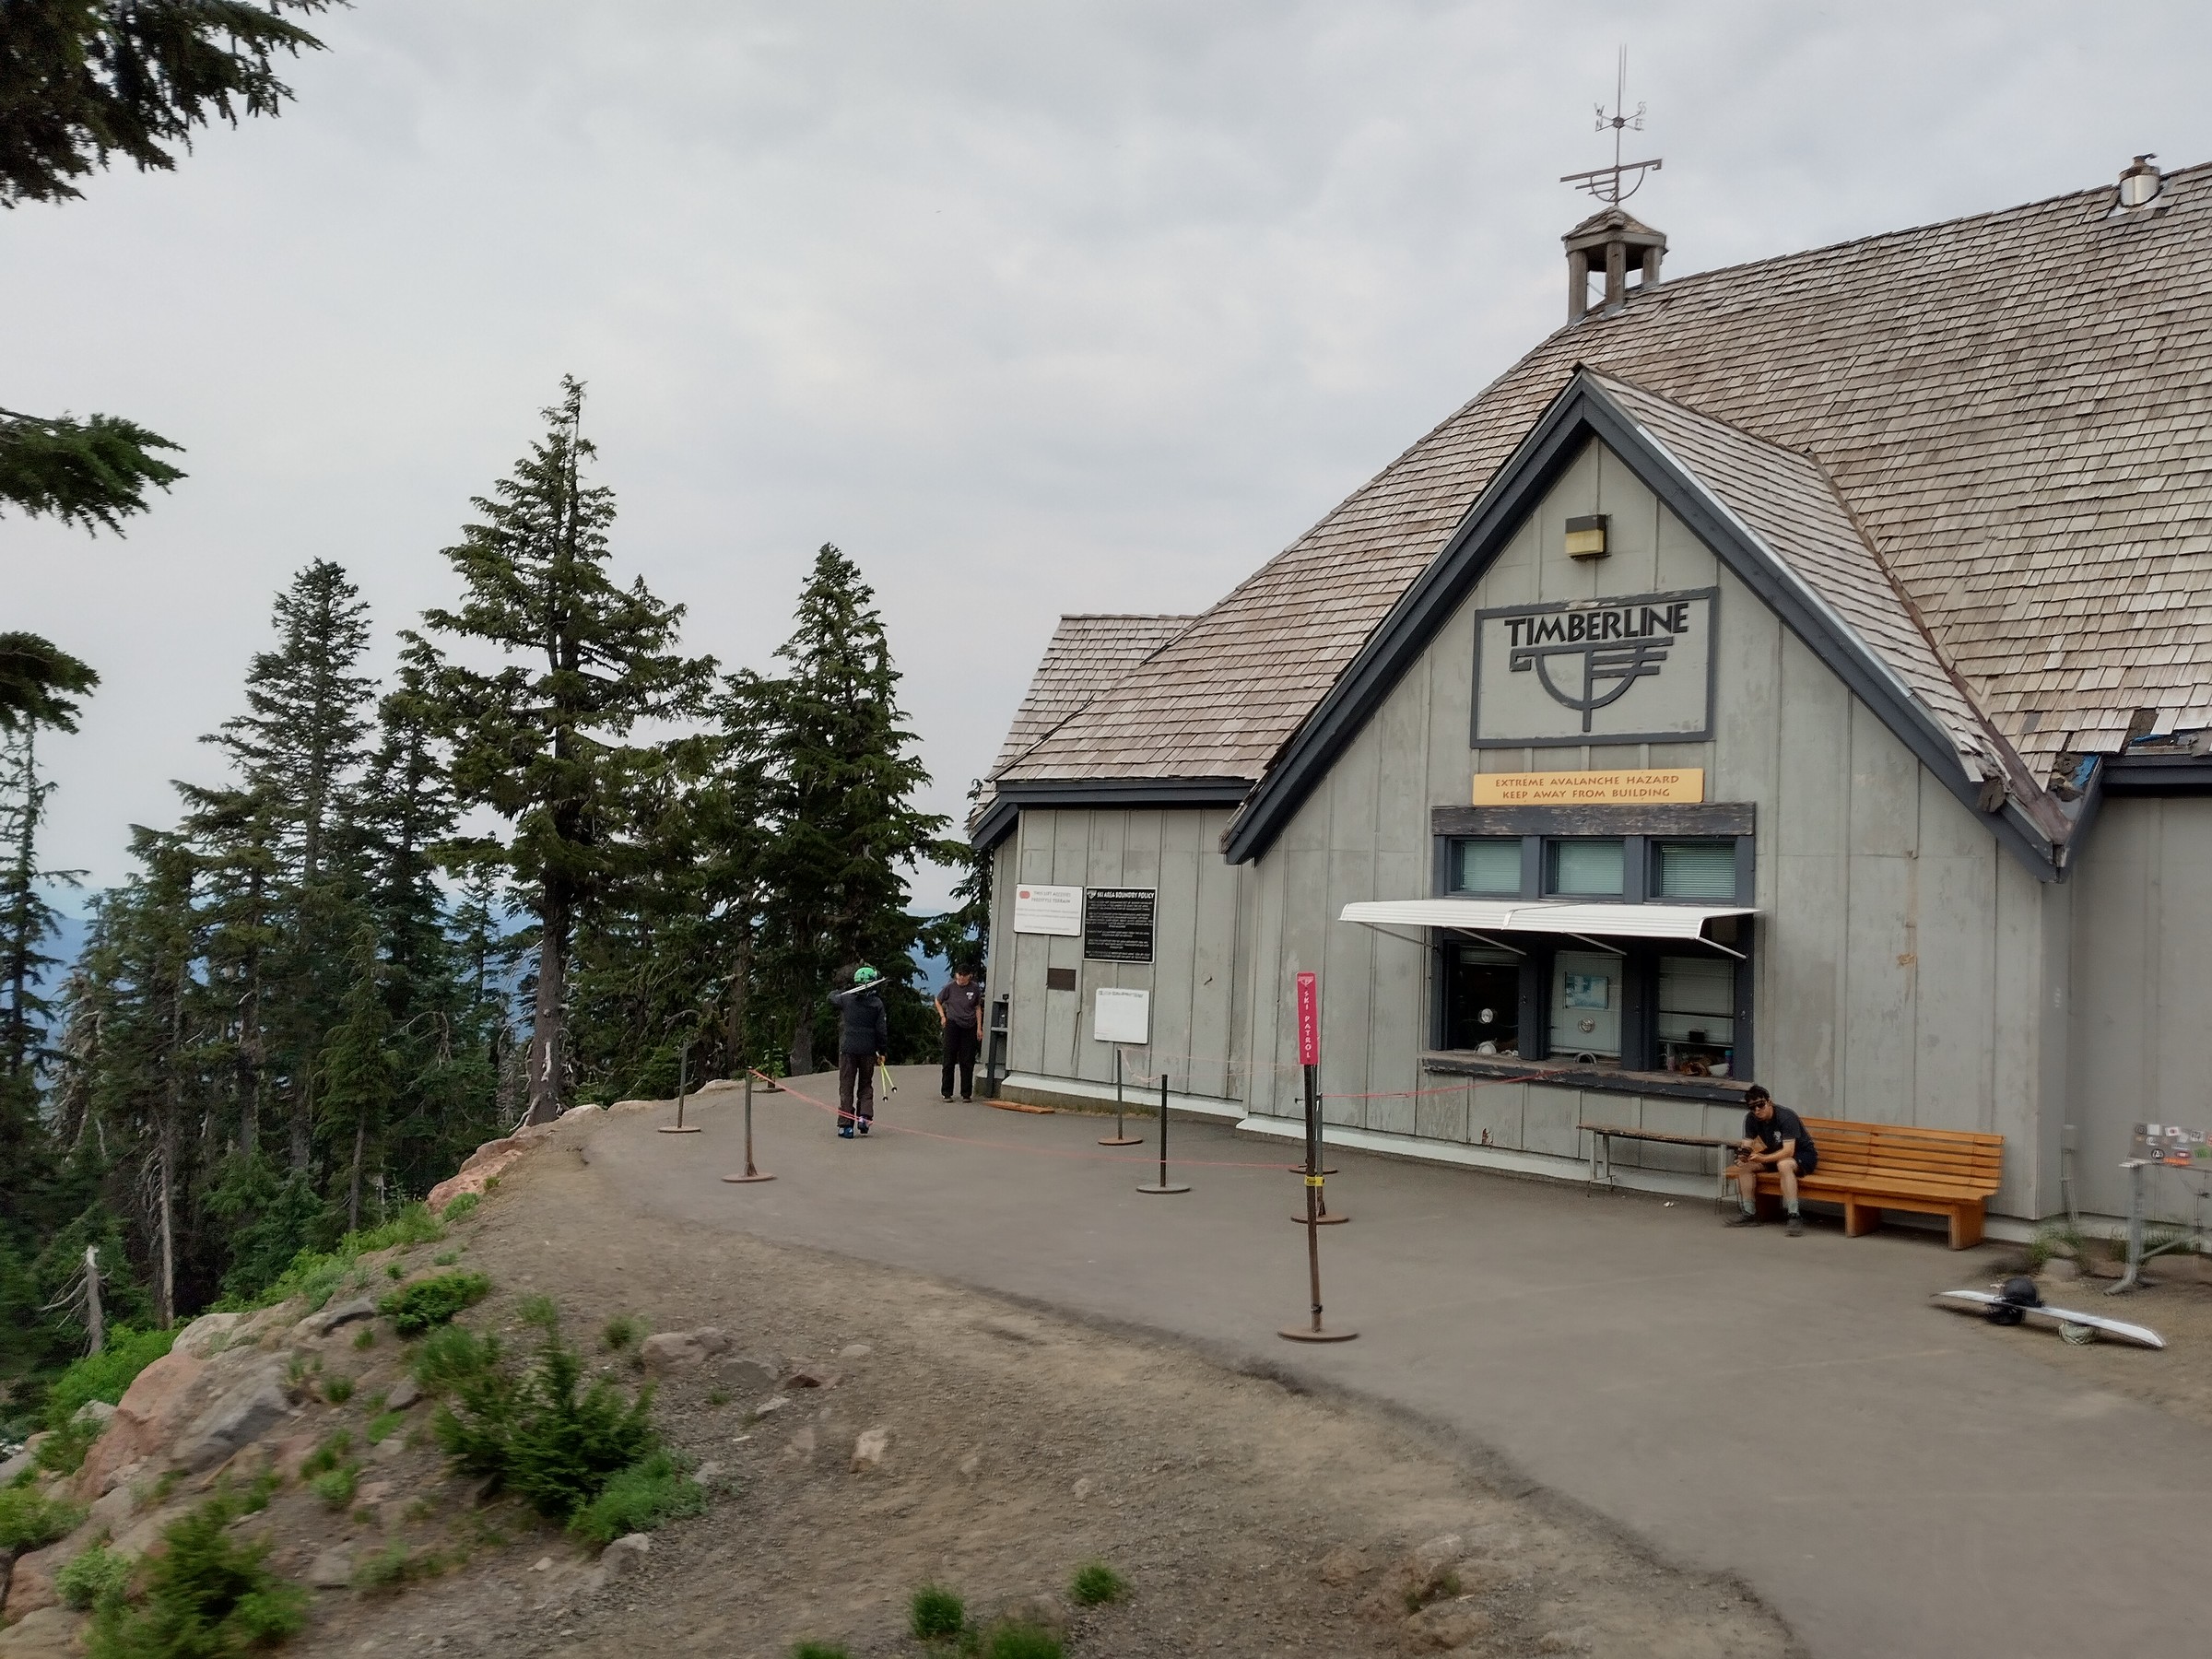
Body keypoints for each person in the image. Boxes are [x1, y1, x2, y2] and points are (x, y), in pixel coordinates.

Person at [1725, 1085, 1818, 1236]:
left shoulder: (1786, 1117)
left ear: (1769, 1102)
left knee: (1784, 1164)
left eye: (1760, 1105)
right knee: (1746, 1168)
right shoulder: (1751, 1119)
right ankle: (1749, 1213)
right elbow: (1747, 1145)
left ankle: (1794, 1215)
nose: (1757, 1110)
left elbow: (1789, 1151)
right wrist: (1743, 1156)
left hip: (1802, 1154)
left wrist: (1763, 1158)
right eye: (1752, 1107)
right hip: (1775, 1152)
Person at [828, 965, 888, 1138]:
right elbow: (881, 1030)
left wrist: (845, 989)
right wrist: (882, 1051)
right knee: (865, 1084)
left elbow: (831, 996)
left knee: (846, 1086)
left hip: (848, 1049)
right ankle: (864, 1118)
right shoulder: (877, 1004)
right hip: (868, 1050)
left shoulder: (846, 999)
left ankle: (845, 1125)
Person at [935, 963, 984, 1100]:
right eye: (959, 975)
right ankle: (947, 1092)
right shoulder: (950, 988)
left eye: (964, 975)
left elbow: (977, 1008)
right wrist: (943, 1016)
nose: (961, 978)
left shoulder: (974, 988)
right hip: (953, 1023)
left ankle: (966, 1093)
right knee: (949, 1058)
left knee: (967, 1060)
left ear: (970, 976)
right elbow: (938, 1001)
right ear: (956, 975)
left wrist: (979, 1028)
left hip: (969, 1025)